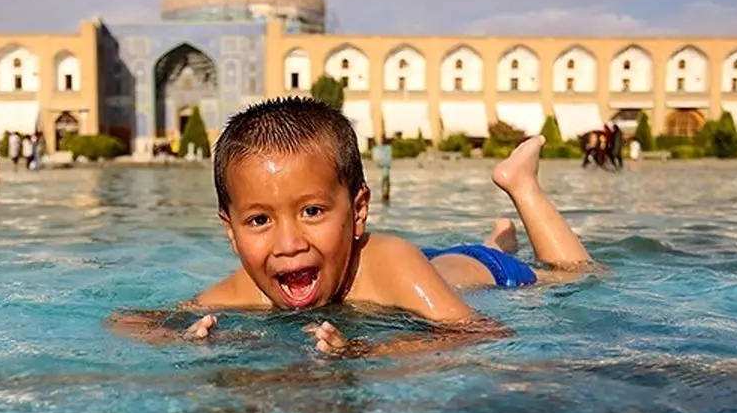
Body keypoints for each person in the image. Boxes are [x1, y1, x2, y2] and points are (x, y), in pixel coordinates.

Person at [109, 98, 595, 357]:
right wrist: (184, 340)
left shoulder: (390, 259)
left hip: (479, 273)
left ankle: (519, 187)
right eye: (259, 220)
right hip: (409, 269)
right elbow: (128, 322)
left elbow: (482, 333)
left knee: (576, 275)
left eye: (312, 211)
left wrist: (368, 352)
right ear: (231, 232)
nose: (288, 243)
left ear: (358, 210)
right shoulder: (245, 291)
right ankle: (495, 236)